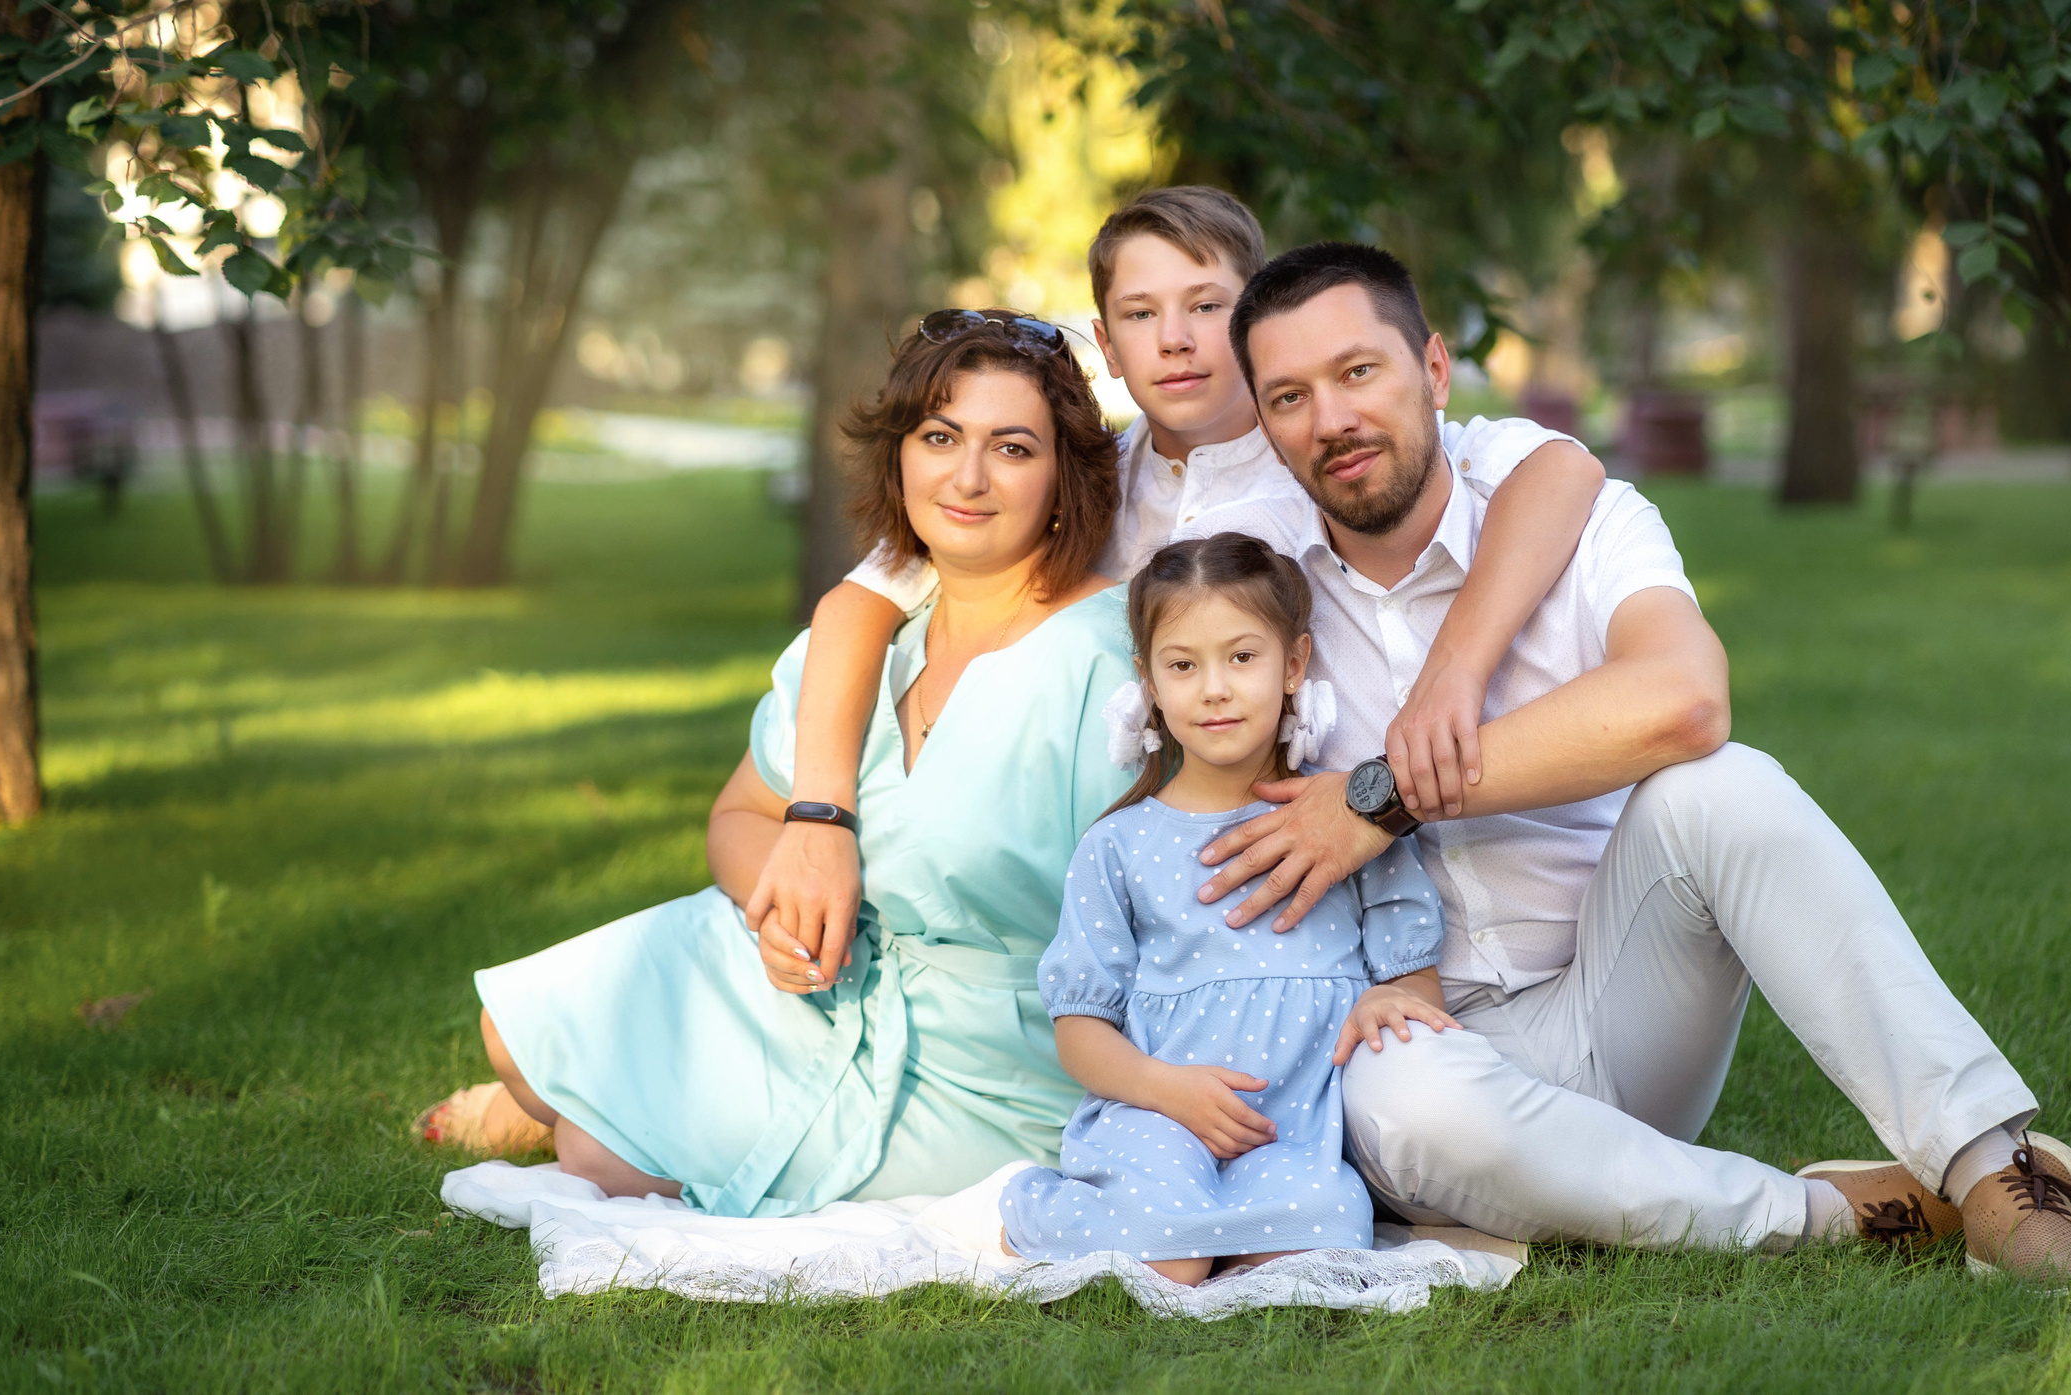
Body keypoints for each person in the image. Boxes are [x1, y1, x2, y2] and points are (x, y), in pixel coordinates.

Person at [1176, 242, 2071, 1296]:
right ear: (1262, 424)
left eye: (1360, 373)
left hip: (1623, 995)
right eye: (1289, 397)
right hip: (1414, 1036)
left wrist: (1381, 798)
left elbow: (1685, 699)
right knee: (1400, 1104)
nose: (1331, 420)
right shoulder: (1252, 587)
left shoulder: (1575, 518)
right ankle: (1840, 1216)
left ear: (1434, 372)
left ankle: (1991, 1174)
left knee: (1723, 783)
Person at [760, 185, 1609, 1004]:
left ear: (1250, 329)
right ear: (1108, 339)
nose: (1174, 340)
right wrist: (818, 815)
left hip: (1333, 829)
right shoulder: (1078, 483)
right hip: (1128, 840)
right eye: (1140, 314)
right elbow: (866, 595)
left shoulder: (1325, 453)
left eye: (1205, 307)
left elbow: (1558, 468)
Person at [419, 310, 1143, 1210]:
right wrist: (791, 898)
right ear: (900, 458)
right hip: (821, 988)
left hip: (1003, 1059)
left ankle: (563, 1111)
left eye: (1013, 448)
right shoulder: (874, 635)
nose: (967, 476)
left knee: (596, 1156)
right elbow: (738, 818)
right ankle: (547, 1094)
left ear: (1066, 479)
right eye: (940, 436)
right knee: (513, 1031)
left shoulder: (1109, 662)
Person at [998, 534, 1452, 1283]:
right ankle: (1040, 1211)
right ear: (1148, 681)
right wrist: (1163, 1088)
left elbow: (1415, 986)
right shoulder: (1118, 844)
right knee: (1168, 1260)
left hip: (1292, 1130)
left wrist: (1385, 1001)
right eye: (1183, 665)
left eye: (1243, 657)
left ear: (1294, 664)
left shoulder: (1351, 825)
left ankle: (1228, 1225)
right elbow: (1080, 1027)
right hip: (1156, 1116)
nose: (1214, 688)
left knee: (1319, 1246)